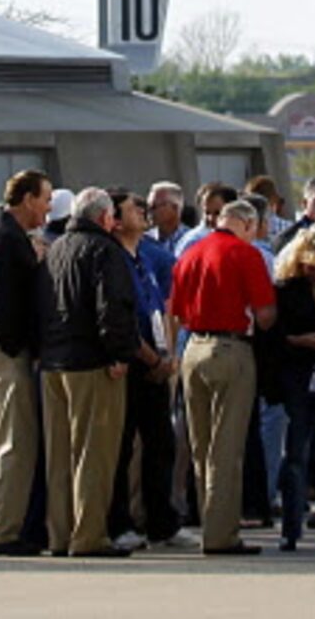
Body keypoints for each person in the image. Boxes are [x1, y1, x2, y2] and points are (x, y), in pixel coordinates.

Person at [173, 197, 277, 558]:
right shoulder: (245, 255)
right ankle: (221, 533)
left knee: (200, 446)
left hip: (193, 348)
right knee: (227, 446)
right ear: (248, 225)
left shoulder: (190, 253)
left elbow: (176, 310)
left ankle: (208, 522)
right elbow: (264, 314)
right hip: (231, 348)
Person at [37, 185, 136, 558]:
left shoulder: (56, 248)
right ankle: (89, 535)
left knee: (60, 455)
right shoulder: (104, 250)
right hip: (92, 361)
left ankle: (60, 534)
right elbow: (111, 306)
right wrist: (119, 353)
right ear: (104, 217)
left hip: (53, 361)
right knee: (94, 453)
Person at [0, 168, 51, 556]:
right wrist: (22, 347)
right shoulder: (5, 238)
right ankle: (1, 530)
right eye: (45, 200)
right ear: (29, 199)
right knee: (13, 442)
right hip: (4, 349)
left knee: (0, 439)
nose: (48, 209)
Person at [105, 188, 181, 552]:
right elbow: (122, 320)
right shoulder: (113, 259)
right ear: (115, 220)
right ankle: (119, 523)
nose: (143, 210)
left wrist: (167, 356)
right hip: (129, 363)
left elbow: (159, 310)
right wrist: (150, 359)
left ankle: (161, 522)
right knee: (121, 449)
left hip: (156, 362)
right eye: (134, 207)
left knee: (161, 444)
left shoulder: (145, 258)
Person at [268, 225, 315, 551]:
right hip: (297, 375)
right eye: (311, 267)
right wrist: (302, 341)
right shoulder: (285, 290)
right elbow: (274, 338)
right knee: (295, 453)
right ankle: (290, 529)